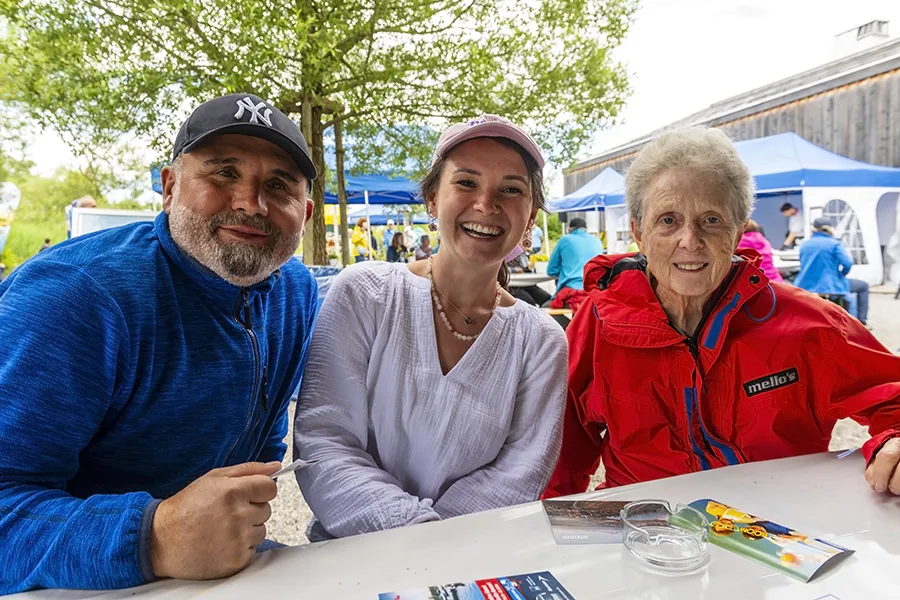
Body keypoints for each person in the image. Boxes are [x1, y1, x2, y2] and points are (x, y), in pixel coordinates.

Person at [0, 93, 320, 594]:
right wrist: (155, 538)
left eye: (278, 186)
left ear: (305, 210)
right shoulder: (76, 297)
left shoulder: (295, 294)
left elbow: (262, 445)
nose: (249, 203)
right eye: (223, 174)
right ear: (169, 188)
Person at [544, 127, 900, 500]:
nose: (690, 240)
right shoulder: (600, 322)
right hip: (648, 535)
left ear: (737, 232)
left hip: (780, 532)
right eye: (668, 220)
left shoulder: (811, 324)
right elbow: (560, 450)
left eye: (711, 220)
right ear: (639, 233)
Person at [294, 114, 567, 541]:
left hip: (472, 554)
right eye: (466, 182)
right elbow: (324, 442)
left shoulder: (541, 340)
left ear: (530, 217)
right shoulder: (366, 294)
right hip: (354, 552)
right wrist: (415, 531)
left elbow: (520, 471)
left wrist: (437, 545)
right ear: (432, 199)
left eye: (511, 189)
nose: (487, 203)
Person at [794, 217, 870, 328]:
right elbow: (848, 263)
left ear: (813, 229)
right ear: (830, 229)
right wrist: (842, 274)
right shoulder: (835, 244)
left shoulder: (805, 244)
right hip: (830, 285)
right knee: (863, 286)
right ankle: (862, 323)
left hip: (806, 285)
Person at [546, 218, 604, 312]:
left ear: (569, 229)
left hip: (572, 291)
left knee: (544, 307)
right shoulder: (597, 241)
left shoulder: (565, 239)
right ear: (586, 229)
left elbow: (551, 270)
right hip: (595, 293)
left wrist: (566, 269)